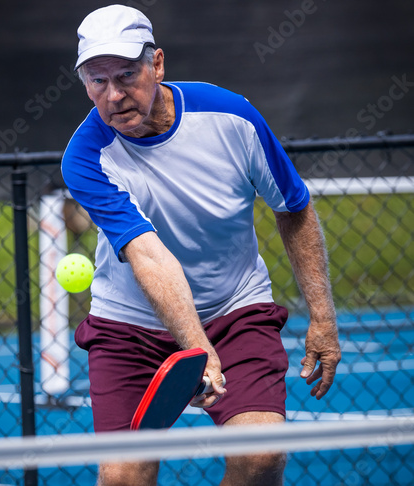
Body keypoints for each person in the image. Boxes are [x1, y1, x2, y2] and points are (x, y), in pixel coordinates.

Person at [61, 5, 341, 485]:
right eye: (97, 81)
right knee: (123, 479)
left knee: (260, 458)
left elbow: (293, 206)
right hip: (129, 328)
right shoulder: (85, 157)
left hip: (235, 310)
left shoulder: (232, 116)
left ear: (159, 65)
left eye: (127, 75)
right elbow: (148, 254)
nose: (113, 95)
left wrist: (323, 316)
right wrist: (197, 349)